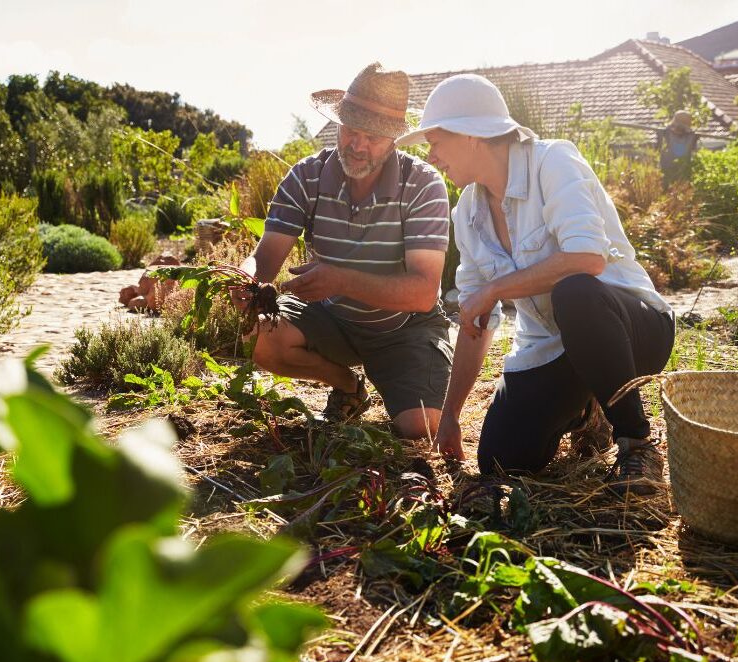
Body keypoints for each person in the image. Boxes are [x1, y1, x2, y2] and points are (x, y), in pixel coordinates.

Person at [396, 74, 674, 495]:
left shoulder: (552, 161)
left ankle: (636, 441)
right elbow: (476, 321)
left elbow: (587, 258)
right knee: (500, 459)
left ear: (472, 135)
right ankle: (586, 410)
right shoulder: (468, 214)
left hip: (634, 331)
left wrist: (494, 289)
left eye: (435, 141)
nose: (432, 156)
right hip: (554, 347)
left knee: (575, 292)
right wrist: (451, 413)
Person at [235, 63, 454, 439]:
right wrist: (244, 278)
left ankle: (399, 380)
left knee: (421, 429)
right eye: (351, 130)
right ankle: (347, 386)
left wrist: (340, 280)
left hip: (404, 328)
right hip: (332, 319)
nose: (357, 145)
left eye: (373, 137)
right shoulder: (307, 176)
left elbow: (422, 292)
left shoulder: (422, 184)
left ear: (394, 139)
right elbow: (266, 255)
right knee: (262, 335)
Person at [656, 110, 698, 186]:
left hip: (682, 170)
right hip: (668, 168)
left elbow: (692, 149)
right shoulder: (667, 132)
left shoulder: (691, 136)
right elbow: (658, 147)